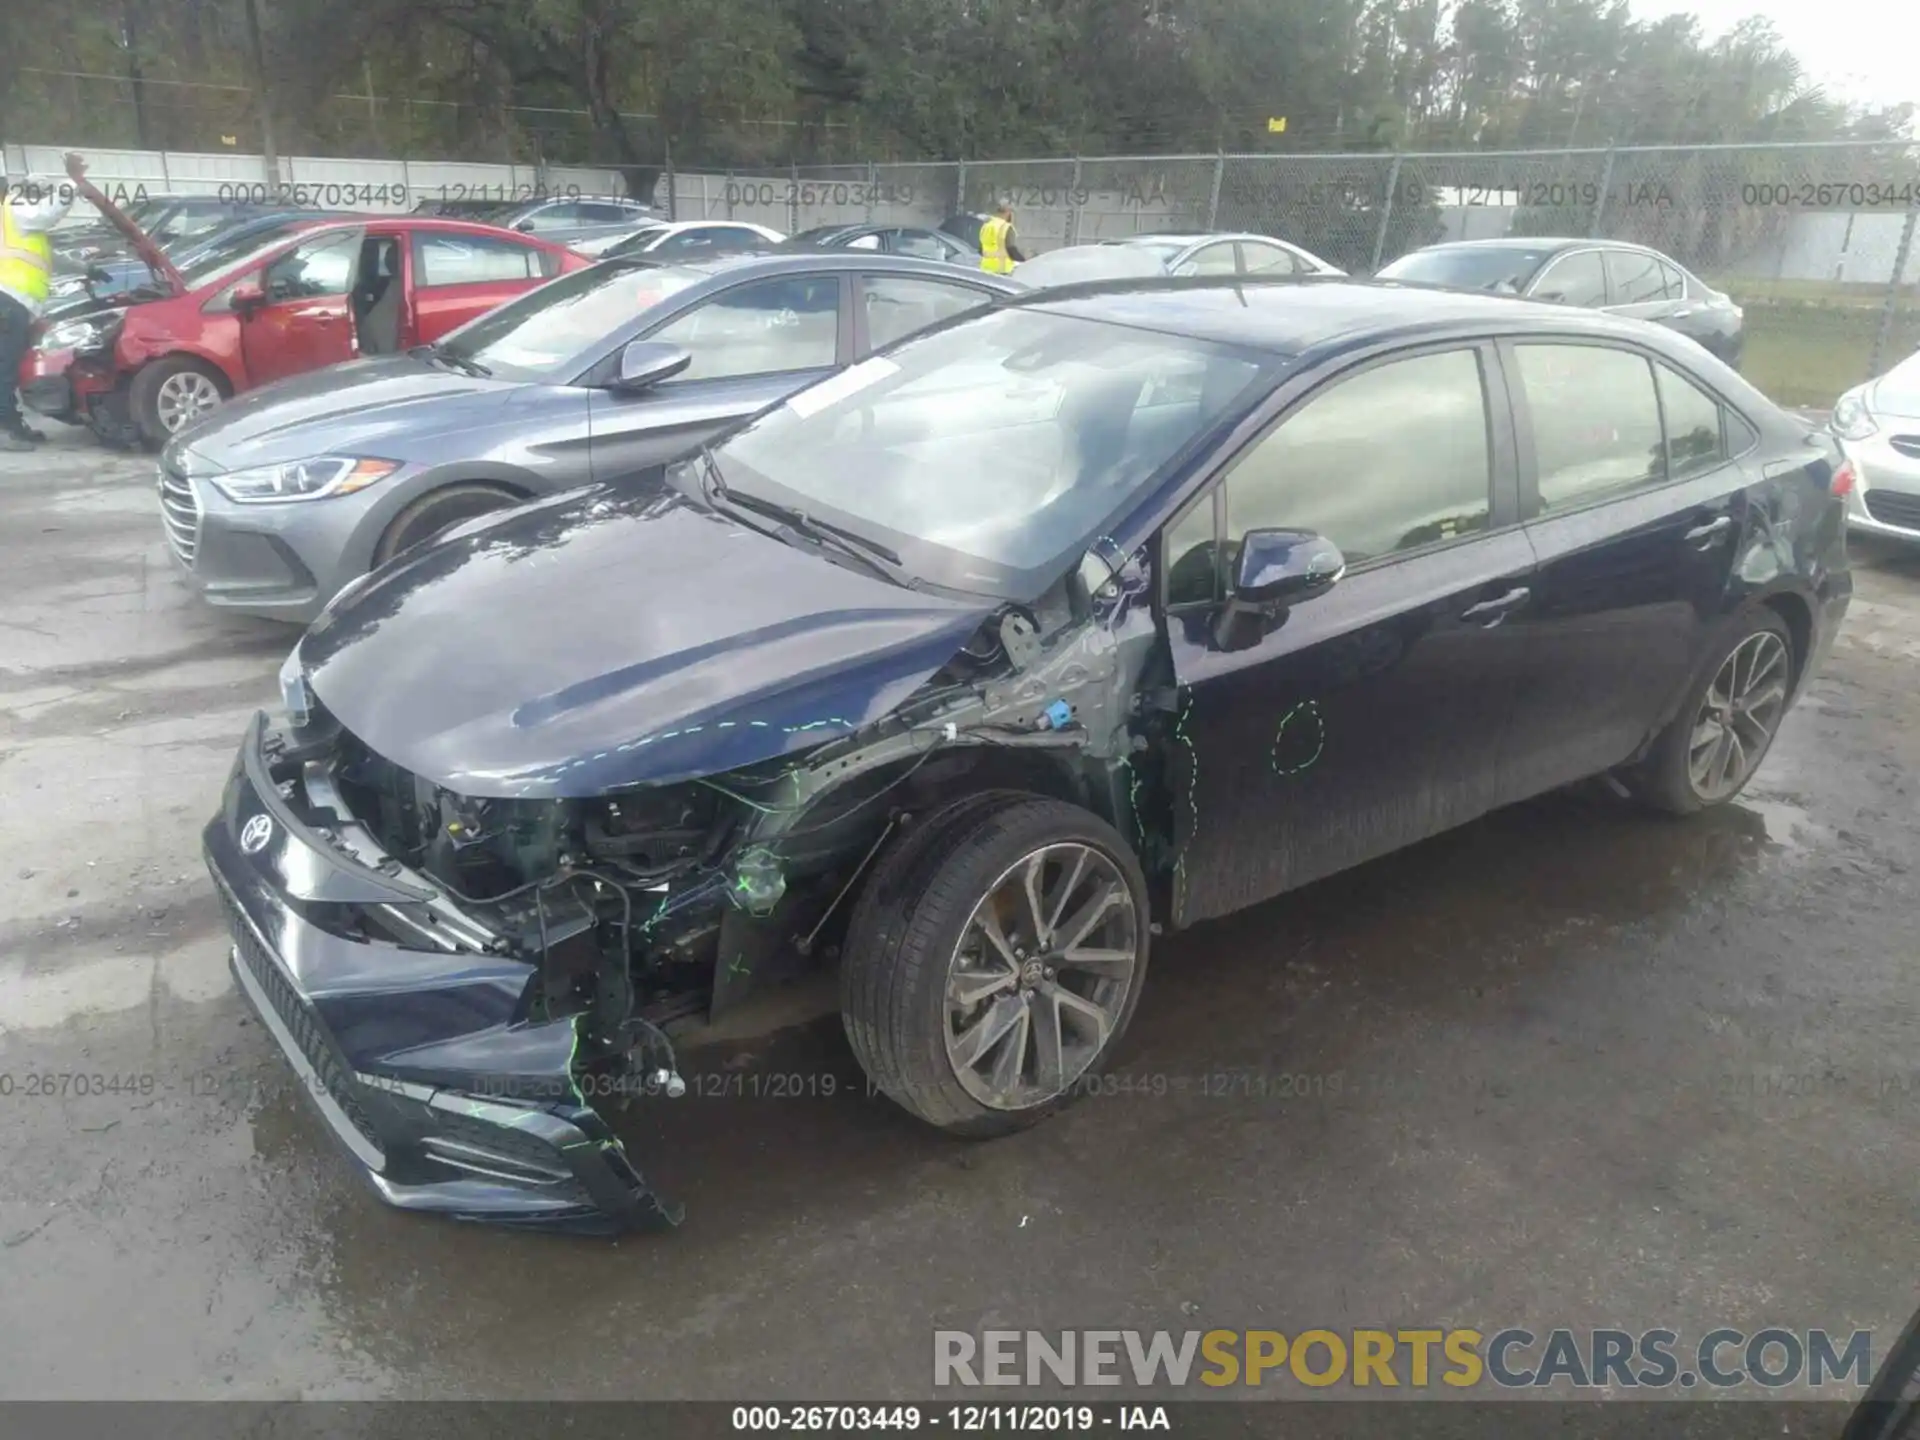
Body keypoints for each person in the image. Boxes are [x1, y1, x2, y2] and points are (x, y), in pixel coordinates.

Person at [0, 160, 78, 451]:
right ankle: (6, 429)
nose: (39, 199)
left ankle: (12, 424)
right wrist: (73, 183)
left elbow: (48, 256)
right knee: (5, 367)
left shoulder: (14, 222)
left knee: (8, 365)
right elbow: (49, 213)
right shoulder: (15, 210)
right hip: (10, 300)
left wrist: (86, 268)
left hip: (13, 302)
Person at [978, 200, 1026, 275]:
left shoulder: (986, 226)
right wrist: (1024, 262)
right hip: (1002, 271)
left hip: (985, 270)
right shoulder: (1006, 227)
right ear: (1008, 212)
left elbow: (981, 250)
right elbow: (1011, 250)